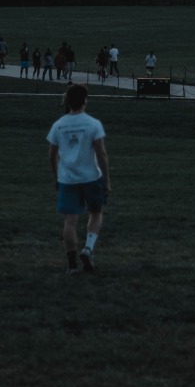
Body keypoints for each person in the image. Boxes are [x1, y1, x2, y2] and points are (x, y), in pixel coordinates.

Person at [47, 84, 110, 272]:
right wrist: (106, 180)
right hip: (91, 176)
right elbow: (101, 154)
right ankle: (88, 247)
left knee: (70, 221)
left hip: (67, 179)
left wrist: (57, 176)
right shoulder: (93, 124)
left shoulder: (59, 125)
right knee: (96, 213)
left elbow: (52, 155)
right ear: (85, 100)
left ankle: (72, 264)